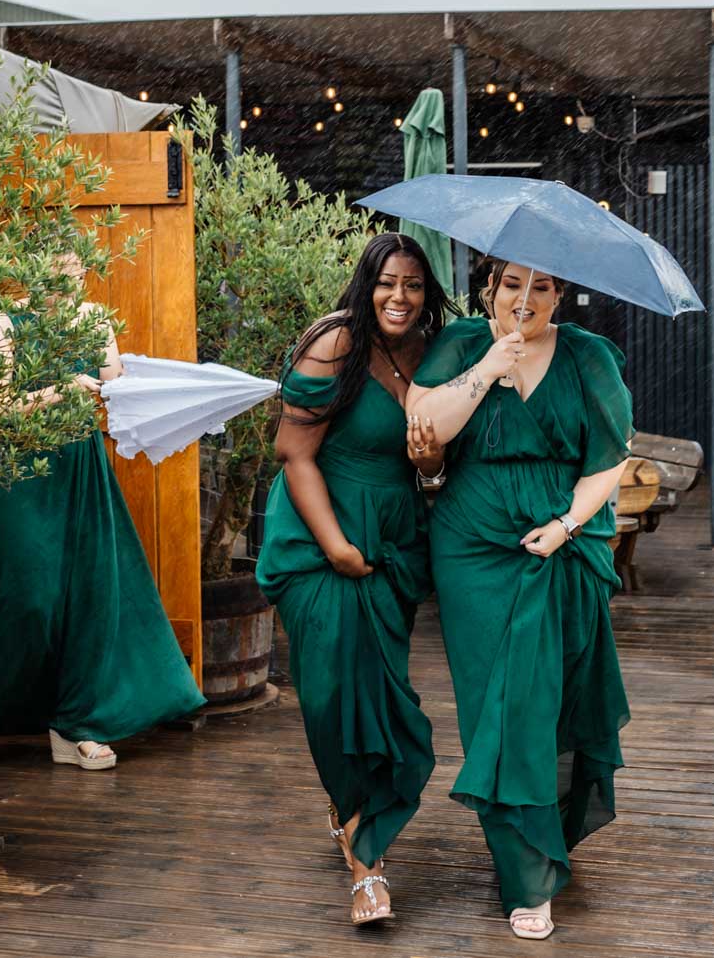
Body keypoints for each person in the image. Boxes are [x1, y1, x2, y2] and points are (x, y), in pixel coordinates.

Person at [405, 259, 633, 940]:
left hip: (560, 543)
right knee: (494, 710)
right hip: (471, 549)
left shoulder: (589, 358)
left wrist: (565, 526)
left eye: (541, 286)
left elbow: (607, 460)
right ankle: (526, 874)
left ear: (560, 293)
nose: (524, 297)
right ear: (488, 291)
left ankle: (548, 828)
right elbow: (422, 427)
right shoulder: (459, 345)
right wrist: (489, 364)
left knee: (548, 702)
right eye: (511, 284)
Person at [0, 258, 205, 771]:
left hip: (80, 465)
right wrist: (65, 389)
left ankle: (73, 726)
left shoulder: (95, 320)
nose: (66, 283)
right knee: (30, 595)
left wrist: (181, 398)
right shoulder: (0, 324)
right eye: (54, 272)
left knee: (89, 594)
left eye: (75, 273)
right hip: (17, 470)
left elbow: (113, 387)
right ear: (29, 271)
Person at [255, 233, 457, 925]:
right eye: (385, 283)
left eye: (412, 285)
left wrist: (430, 466)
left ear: (427, 294)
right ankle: (367, 869)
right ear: (364, 284)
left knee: (378, 692)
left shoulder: (434, 352)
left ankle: (349, 806)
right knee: (336, 693)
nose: (398, 298)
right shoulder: (335, 342)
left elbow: (431, 473)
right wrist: (337, 549)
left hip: (393, 546)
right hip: (320, 542)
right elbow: (293, 453)